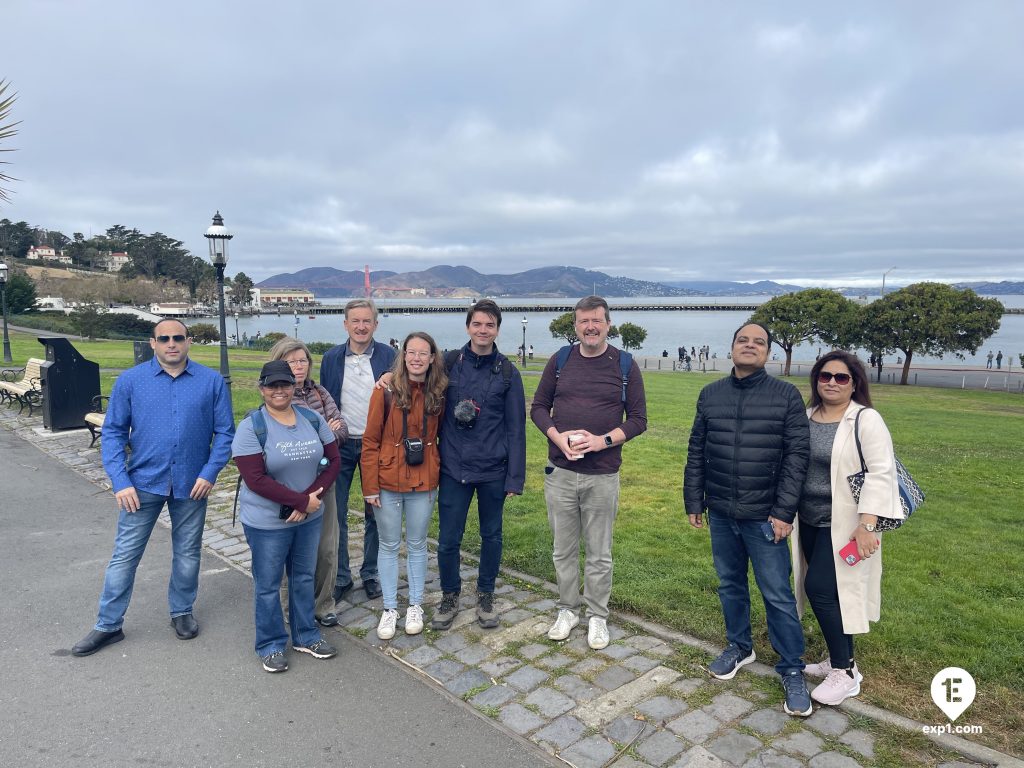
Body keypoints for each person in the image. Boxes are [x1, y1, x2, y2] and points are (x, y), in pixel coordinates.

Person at [72, 320, 234, 657]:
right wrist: (120, 481)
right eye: (164, 339)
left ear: (188, 341)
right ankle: (107, 624)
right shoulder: (132, 381)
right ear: (153, 343)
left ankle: (181, 611)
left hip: (193, 485)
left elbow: (225, 433)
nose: (171, 344)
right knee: (125, 556)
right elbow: (114, 432)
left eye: (178, 338)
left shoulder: (211, 382)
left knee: (188, 554)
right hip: (142, 484)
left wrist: (209, 472)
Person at [683, 322, 813, 716]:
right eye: (744, 340)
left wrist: (783, 511)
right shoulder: (711, 395)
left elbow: (797, 458)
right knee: (730, 584)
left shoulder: (786, 396)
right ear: (732, 348)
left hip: (765, 517)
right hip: (721, 510)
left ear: (768, 353)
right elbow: (697, 450)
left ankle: (792, 668)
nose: (750, 346)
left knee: (778, 593)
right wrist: (694, 500)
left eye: (759, 342)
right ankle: (739, 646)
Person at [530, 296, 647, 650]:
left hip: (603, 475)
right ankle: (567, 609)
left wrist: (602, 441)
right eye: (584, 321)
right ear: (576, 325)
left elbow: (639, 420)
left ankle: (597, 615)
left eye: (596, 320)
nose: (590, 327)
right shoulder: (561, 361)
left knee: (599, 552)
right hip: (561, 472)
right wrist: (558, 436)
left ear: (608, 324)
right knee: (562, 550)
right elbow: (537, 407)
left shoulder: (625, 366)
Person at [793, 351, 902, 705]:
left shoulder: (865, 420)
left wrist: (867, 524)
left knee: (821, 589)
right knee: (831, 594)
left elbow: (881, 473)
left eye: (841, 378)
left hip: (847, 526)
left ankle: (846, 670)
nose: (832, 383)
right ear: (816, 380)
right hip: (807, 519)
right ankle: (835, 658)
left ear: (855, 383)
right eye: (825, 376)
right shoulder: (806, 417)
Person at [232, 361, 342, 672]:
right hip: (267, 523)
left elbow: (331, 461)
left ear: (293, 386)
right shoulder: (251, 427)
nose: (279, 390)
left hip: (308, 517)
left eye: (284, 384)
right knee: (268, 584)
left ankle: (306, 635)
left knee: (303, 578)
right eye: (272, 385)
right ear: (261, 388)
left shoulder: (312, 418)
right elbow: (256, 479)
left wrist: (311, 499)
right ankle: (270, 643)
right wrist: (300, 501)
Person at [431, 300, 527, 630]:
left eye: (489, 325)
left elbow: (516, 426)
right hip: (454, 466)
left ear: (497, 329)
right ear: (468, 326)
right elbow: (415, 378)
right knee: (448, 538)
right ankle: (450, 594)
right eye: (477, 324)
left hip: (492, 468)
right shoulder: (448, 363)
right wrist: (387, 375)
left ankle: (485, 594)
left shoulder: (508, 372)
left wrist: (515, 477)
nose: (483, 330)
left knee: (492, 535)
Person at [363, 332, 446, 640]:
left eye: (423, 353)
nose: (416, 358)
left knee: (417, 543)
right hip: (387, 478)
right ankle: (389, 608)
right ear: (403, 355)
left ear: (432, 358)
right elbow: (370, 441)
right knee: (388, 544)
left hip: (424, 477)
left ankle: (415, 604)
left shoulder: (438, 391)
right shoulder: (385, 391)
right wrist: (369, 486)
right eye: (411, 352)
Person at [320, 299, 397, 603]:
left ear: (375, 325)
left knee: (375, 513)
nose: (361, 326)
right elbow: (325, 397)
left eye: (367, 321)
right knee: (335, 513)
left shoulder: (391, 357)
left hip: (375, 445)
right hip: (341, 444)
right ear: (346, 324)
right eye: (356, 321)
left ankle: (371, 572)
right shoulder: (331, 358)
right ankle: (341, 576)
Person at [269, 338, 349, 627]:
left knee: (327, 548)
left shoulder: (319, 391)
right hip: (290, 485)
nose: (298, 366)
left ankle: (322, 604)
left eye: (302, 360)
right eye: (291, 361)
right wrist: (323, 431)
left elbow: (341, 430)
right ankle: (292, 607)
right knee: (294, 551)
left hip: (323, 481)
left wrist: (323, 434)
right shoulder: (276, 397)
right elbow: (286, 441)